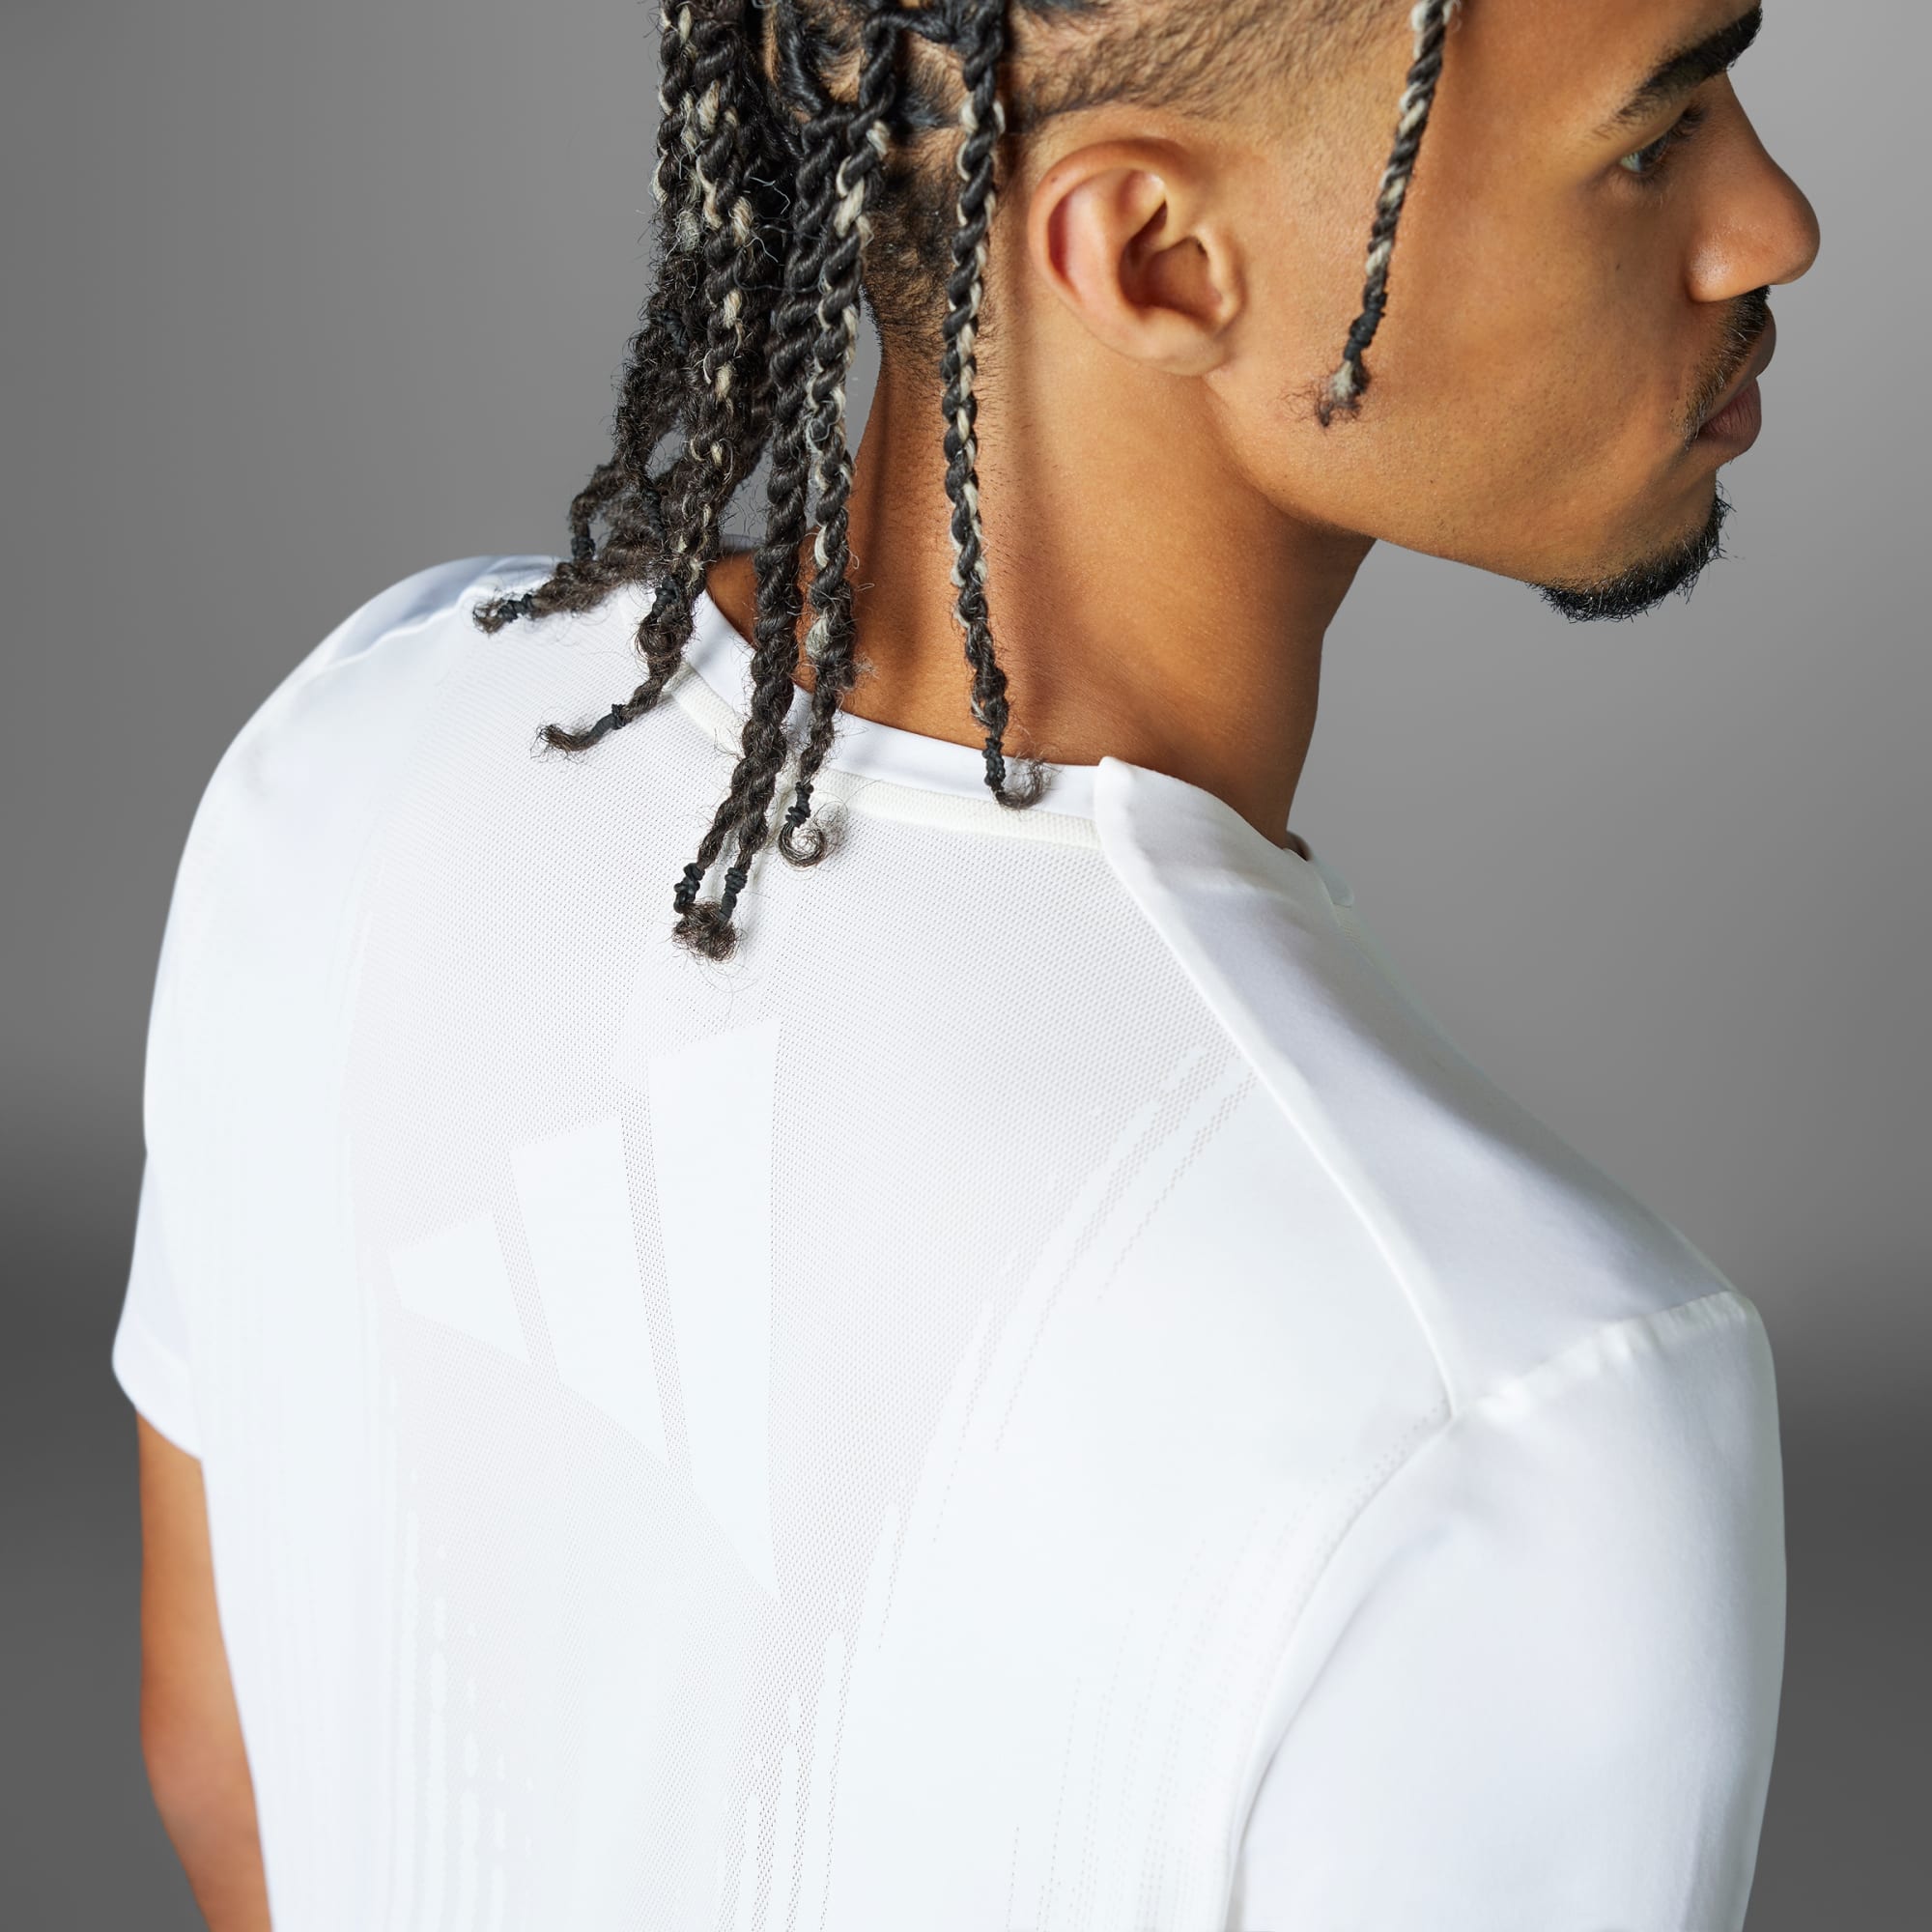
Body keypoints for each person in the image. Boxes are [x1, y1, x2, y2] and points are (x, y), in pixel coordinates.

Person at [112, 0, 1819, 1925]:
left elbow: (231, 1777)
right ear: (1157, 259)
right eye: (1652, 139)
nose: (1774, 224)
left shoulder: (360, 751)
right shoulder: (1517, 1397)